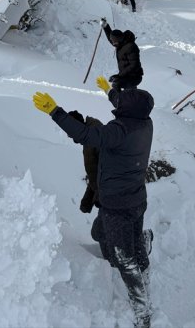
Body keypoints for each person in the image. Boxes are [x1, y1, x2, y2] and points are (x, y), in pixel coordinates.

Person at [32, 78, 154, 328]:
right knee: (100, 232)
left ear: (128, 111)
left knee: (125, 258)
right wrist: (109, 91)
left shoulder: (119, 131)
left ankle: (142, 308)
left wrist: (55, 111)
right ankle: (139, 244)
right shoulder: (144, 123)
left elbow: (85, 134)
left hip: (118, 206)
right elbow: (124, 103)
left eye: (121, 103)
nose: (117, 105)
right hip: (135, 198)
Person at [100, 17, 143, 91]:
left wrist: (119, 76)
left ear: (119, 40)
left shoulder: (131, 47)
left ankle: (125, 100)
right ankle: (125, 99)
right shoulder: (120, 43)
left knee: (118, 85)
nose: (113, 43)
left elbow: (134, 65)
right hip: (125, 75)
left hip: (134, 77)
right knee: (117, 85)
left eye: (114, 42)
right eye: (112, 41)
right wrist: (105, 26)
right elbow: (110, 37)